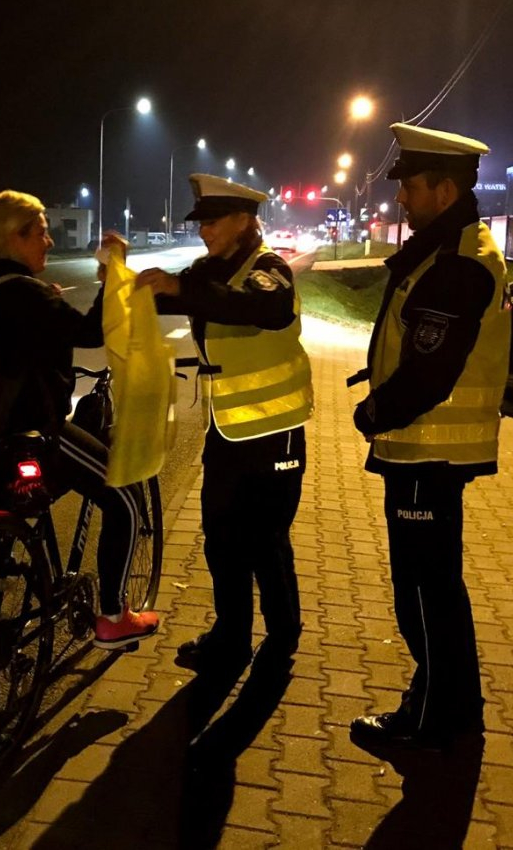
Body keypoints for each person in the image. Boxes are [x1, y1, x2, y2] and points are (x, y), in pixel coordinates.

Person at [348, 123, 511, 755]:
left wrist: (372, 413)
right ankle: (449, 704)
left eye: (411, 187)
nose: (402, 200)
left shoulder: (458, 264)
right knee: (432, 585)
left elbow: (431, 371)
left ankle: (435, 719)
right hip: (425, 450)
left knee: (425, 591)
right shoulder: (449, 250)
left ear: (444, 189)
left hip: (428, 451)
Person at [0, 190, 159, 660]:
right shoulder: (22, 292)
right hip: (34, 433)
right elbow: (89, 332)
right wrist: (111, 276)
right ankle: (112, 617)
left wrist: (46, 305)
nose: (48, 239)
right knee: (125, 493)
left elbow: (15, 345)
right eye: (40, 231)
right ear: (14, 237)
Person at [136, 174, 312, 673]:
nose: (204, 231)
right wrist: (129, 289)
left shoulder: (268, 269)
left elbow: (268, 308)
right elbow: (177, 298)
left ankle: (282, 639)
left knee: (266, 541)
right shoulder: (210, 271)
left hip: (274, 432)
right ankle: (230, 637)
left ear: (243, 220)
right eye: (201, 222)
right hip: (228, 431)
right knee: (220, 537)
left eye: (212, 222)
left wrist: (181, 288)